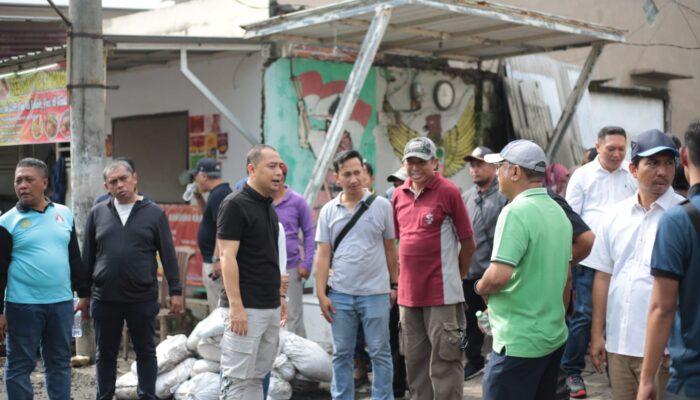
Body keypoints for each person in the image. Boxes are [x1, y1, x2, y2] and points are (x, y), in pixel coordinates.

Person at [587, 129, 681, 399]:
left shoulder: (684, 216)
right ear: (633, 169)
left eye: (668, 163)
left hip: (665, 351)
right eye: (652, 163)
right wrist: (597, 333)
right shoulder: (614, 216)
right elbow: (604, 275)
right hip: (619, 345)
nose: (662, 171)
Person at [478, 140, 572, 400]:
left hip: (518, 343)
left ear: (516, 172)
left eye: (500, 167)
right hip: (552, 338)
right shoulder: (558, 211)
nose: (497, 174)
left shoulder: (515, 212)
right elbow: (566, 278)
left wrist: (480, 288)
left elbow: (498, 276)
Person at [82, 159, 183, 400]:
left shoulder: (154, 213)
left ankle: (147, 395)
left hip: (141, 296)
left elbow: (167, 254)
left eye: (123, 179)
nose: (120, 185)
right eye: (113, 182)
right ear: (107, 186)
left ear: (134, 178)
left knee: (146, 351)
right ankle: (104, 396)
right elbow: (87, 256)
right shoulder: (97, 214)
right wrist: (83, 294)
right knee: (105, 352)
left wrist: (176, 291)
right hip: (105, 297)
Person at [393, 137, 476, 400]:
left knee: (446, 362)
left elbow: (468, 243)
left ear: (435, 163)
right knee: (415, 364)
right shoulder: (398, 194)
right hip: (409, 297)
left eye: (421, 161)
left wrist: (457, 278)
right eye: (410, 161)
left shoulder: (449, 192)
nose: (415, 167)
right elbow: (397, 243)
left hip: (442, 295)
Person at [0, 158, 89, 399]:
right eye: (18, 180)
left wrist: (83, 293)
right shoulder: (7, 221)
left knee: (59, 362)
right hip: (22, 305)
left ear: (45, 183)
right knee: (19, 365)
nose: (23, 185)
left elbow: (74, 257)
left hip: (61, 303)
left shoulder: (64, 214)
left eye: (29, 179)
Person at [315, 150, 398, 400]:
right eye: (347, 174)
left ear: (365, 173)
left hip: (375, 293)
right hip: (340, 294)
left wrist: (394, 285)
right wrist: (321, 293)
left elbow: (390, 249)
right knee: (342, 353)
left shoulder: (382, 206)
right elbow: (322, 254)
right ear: (337, 176)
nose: (353, 179)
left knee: (380, 352)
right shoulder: (329, 210)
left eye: (357, 173)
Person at [563, 126, 637, 398]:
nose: (617, 154)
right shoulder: (582, 176)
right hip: (590, 260)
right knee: (584, 313)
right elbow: (570, 218)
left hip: (622, 261)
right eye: (611, 149)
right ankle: (571, 371)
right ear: (597, 146)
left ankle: (613, 369)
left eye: (621, 148)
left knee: (616, 315)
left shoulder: (630, 176)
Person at [216, 144, 288, 399]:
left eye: (280, 166)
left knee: (257, 379)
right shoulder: (234, 204)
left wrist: (280, 297)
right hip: (245, 310)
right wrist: (236, 306)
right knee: (237, 380)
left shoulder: (267, 206)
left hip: (269, 308)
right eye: (271, 166)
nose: (279, 171)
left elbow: (269, 258)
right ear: (251, 169)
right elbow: (227, 257)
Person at [637, 121, 700, 400]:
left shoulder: (679, 220)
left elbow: (662, 308)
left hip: (692, 377)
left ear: (683, 157)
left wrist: (647, 377)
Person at [461, 146, 507, 380]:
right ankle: (474, 360)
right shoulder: (466, 198)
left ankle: (500, 360)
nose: (475, 169)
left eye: (480, 164)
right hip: (470, 273)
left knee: (499, 319)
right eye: (472, 165)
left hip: (496, 273)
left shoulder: (504, 196)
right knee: (472, 320)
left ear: (494, 166)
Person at [271, 162, 314, 337]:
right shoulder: (263, 200)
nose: (276, 180)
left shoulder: (297, 201)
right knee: (271, 315)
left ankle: (300, 360)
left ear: (283, 178)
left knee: (294, 316)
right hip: (267, 267)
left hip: (290, 267)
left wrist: (307, 263)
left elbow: (309, 233)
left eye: (279, 177)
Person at [191, 157, 232, 313]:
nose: (196, 181)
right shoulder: (218, 192)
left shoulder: (219, 194)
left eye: (196, 177)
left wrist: (217, 259)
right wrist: (198, 197)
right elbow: (208, 218)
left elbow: (222, 230)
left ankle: (220, 338)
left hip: (215, 261)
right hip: (212, 258)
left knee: (218, 310)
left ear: (203, 176)